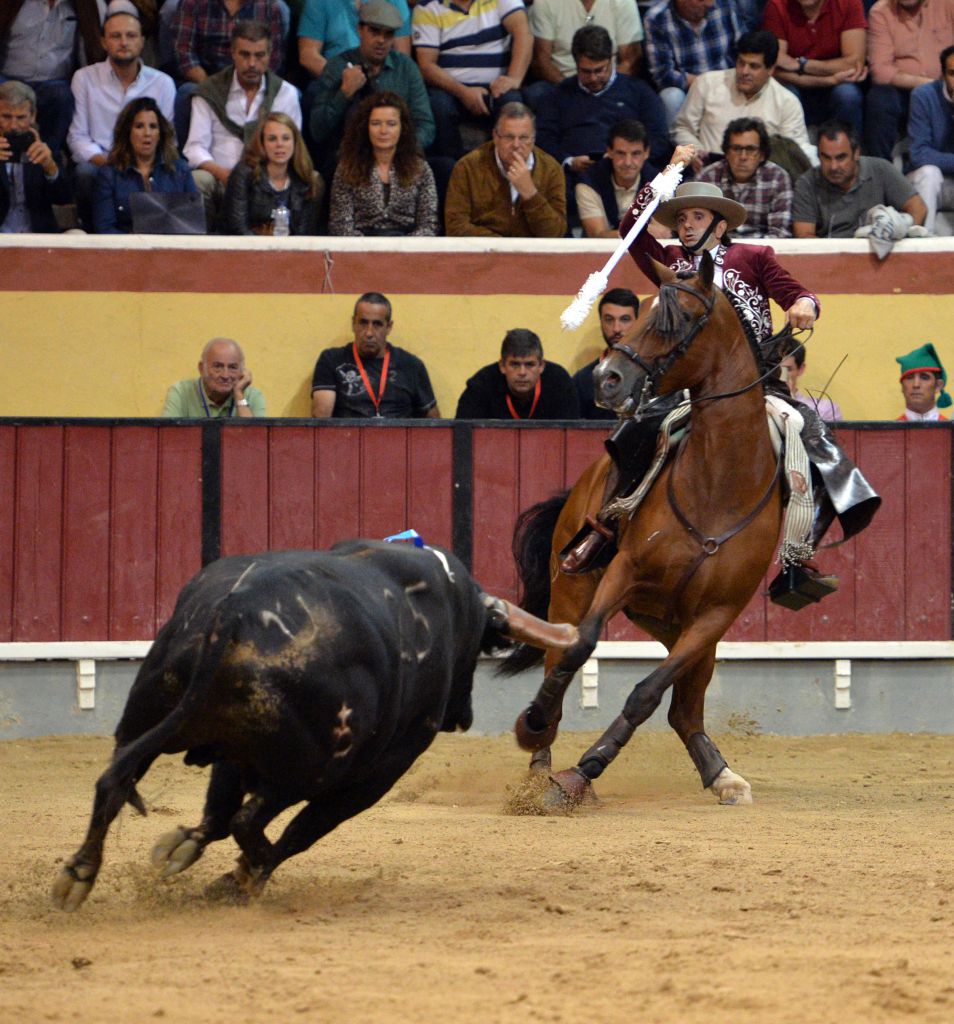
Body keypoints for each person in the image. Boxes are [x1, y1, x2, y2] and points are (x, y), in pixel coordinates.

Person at [566, 142, 881, 600]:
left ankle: (797, 555)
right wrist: (670, 170)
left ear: (719, 223)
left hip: (755, 385)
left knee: (805, 427)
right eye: (682, 219)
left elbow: (798, 293)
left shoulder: (752, 257)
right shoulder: (673, 267)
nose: (687, 225)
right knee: (639, 429)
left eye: (696, 217)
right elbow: (631, 227)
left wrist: (804, 305)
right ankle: (608, 524)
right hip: (687, 388)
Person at [68, 6, 176, 227]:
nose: (124, 42)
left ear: (142, 41)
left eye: (131, 35)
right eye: (115, 36)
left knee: (175, 171)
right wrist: (112, 163)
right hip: (102, 162)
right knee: (85, 173)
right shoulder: (84, 78)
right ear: (103, 42)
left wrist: (139, 166)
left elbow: (168, 138)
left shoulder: (163, 83)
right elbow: (77, 138)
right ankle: (92, 234)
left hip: (147, 164)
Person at [183, 20, 300, 218]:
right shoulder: (210, 91)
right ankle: (202, 244)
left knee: (312, 180)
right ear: (233, 53)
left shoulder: (285, 93)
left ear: (269, 56)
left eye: (259, 55)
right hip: (220, 180)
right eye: (245, 54)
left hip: (267, 183)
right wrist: (223, 175)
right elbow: (195, 148)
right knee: (197, 179)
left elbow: (293, 147)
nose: (252, 63)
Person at [307, 0, 434, 168]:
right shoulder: (338, 66)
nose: (381, 40)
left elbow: (426, 124)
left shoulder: (406, 68)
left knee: (443, 167)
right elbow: (318, 131)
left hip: (399, 157)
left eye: (388, 34)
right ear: (360, 29)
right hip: (351, 161)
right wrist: (344, 93)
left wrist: (400, 150)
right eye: (374, 31)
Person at [672, 29, 816, 171]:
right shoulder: (707, 84)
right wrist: (695, 152)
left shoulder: (787, 103)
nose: (744, 72)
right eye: (741, 63)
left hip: (762, 183)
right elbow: (682, 128)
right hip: (709, 176)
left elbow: (793, 154)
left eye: (753, 66)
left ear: (771, 69)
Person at [535, 25, 669, 173]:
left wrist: (626, 160)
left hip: (630, 174)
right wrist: (568, 161)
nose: (593, 78)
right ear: (576, 64)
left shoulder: (639, 92)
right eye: (586, 71)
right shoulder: (556, 96)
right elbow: (544, 140)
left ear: (611, 60)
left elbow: (659, 138)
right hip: (574, 175)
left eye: (599, 70)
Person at [411, 0, 531, 159]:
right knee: (438, 104)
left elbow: (523, 34)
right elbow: (426, 65)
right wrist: (463, 92)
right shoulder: (427, 8)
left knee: (512, 101)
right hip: (451, 90)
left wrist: (514, 78)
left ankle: (508, 169)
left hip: (496, 88)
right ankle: (454, 172)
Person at [0, 0, 105, 160]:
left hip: (52, 83)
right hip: (8, 78)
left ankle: (48, 160)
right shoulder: (10, 4)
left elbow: (90, 49)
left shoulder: (85, 5)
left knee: (63, 96)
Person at [444, 101, 566, 237]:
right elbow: (455, 226)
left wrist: (530, 194)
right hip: (485, 252)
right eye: (509, 137)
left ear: (533, 139)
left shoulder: (551, 169)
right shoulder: (467, 167)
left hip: (532, 254)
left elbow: (556, 233)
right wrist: (502, 247)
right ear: (495, 137)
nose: (516, 145)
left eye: (524, 138)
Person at [170, 0, 285, 144]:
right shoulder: (193, 3)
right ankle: (185, 159)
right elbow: (184, 53)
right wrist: (213, 87)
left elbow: (273, 57)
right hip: (206, 74)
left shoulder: (269, 6)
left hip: (253, 74)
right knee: (187, 92)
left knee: (291, 94)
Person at [311, 292, 440, 418]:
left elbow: (435, 426)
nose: (369, 333)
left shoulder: (411, 365)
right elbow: (321, 420)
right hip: (347, 438)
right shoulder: (332, 360)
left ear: (389, 327)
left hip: (397, 438)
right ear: (353, 324)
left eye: (377, 324)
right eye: (363, 323)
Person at [792, 119, 926, 237]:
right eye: (826, 158)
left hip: (877, 255)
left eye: (840, 157)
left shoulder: (880, 169)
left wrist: (902, 236)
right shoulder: (806, 183)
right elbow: (804, 235)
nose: (833, 166)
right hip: (831, 260)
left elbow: (918, 207)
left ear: (856, 153)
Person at [329, 92, 437, 236]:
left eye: (391, 124)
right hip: (361, 249)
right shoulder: (347, 167)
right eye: (376, 123)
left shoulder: (420, 168)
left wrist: (402, 250)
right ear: (365, 127)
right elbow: (340, 226)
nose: (383, 131)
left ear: (402, 128)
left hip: (408, 248)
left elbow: (429, 224)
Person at [92, 95, 197, 232]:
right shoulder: (109, 175)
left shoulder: (180, 171)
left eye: (153, 127)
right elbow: (105, 229)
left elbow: (192, 225)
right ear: (127, 132)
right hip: (126, 250)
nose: (147, 133)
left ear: (160, 134)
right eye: (139, 126)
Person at [864, 0, 954, 160]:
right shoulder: (881, 12)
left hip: (949, 87)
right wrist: (931, 86)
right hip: (904, 92)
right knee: (879, 99)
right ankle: (881, 169)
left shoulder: (947, 4)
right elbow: (881, 71)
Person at [762, 0, 868, 133]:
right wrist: (830, 79)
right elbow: (776, 68)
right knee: (783, 93)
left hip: (835, 87)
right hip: (796, 85)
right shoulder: (777, 5)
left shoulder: (848, 3)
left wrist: (801, 65)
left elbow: (854, 62)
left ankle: (847, 150)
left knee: (847, 95)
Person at [643, 0, 742, 128]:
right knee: (671, 97)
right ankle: (679, 144)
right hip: (688, 90)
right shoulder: (656, 18)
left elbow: (743, 50)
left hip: (728, 82)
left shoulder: (726, 5)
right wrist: (706, 84)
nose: (709, 4)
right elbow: (663, 75)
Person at [223, 110, 322, 235]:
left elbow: (305, 234)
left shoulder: (308, 180)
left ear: (295, 143)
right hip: (248, 249)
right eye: (272, 139)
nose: (279, 144)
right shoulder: (244, 174)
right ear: (262, 143)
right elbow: (237, 228)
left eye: (286, 138)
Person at [527, 0, 644, 105]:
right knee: (536, 93)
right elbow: (542, 61)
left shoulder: (623, 2)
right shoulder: (545, 3)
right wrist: (575, 90)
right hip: (561, 83)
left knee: (640, 94)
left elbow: (630, 60)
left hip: (609, 82)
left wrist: (606, 88)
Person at [696, 117, 794, 237]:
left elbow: (780, 233)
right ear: (726, 153)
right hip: (718, 250)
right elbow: (698, 229)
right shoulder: (707, 178)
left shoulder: (778, 178)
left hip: (761, 251)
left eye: (750, 149)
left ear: (762, 155)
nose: (743, 156)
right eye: (736, 149)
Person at [455, 329, 580, 419]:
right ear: (502, 366)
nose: (522, 372)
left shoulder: (560, 384)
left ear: (541, 366)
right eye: (514, 364)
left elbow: (572, 438)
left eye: (529, 364)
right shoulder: (480, 387)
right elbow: (462, 438)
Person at [0, 80, 72, 232]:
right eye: (6, 116)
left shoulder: (44, 147)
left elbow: (64, 198)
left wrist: (50, 167)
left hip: (37, 236)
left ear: (33, 116)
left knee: (78, 235)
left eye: (21, 117)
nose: (13, 125)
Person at [575, 119, 656, 238]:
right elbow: (597, 236)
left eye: (635, 154)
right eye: (621, 153)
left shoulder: (660, 183)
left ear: (646, 153)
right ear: (610, 152)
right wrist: (643, 234)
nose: (628, 162)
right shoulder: (589, 182)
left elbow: (662, 233)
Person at [298, 0, 410, 82]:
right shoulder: (318, 2)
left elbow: (402, 57)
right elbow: (308, 56)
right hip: (333, 83)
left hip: (383, 81)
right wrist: (343, 78)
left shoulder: (396, 2)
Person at [907, 44, 954, 236]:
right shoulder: (924, 96)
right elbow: (919, 154)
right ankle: (924, 242)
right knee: (929, 172)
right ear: (942, 75)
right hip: (929, 183)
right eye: (953, 73)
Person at [572, 287, 640, 420]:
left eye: (625, 319)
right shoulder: (583, 381)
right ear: (601, 322)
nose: (616, 329)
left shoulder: (653, 376)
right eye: (609, 320)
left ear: (638, 322)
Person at [162, 337, 265, 417]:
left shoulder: (253, 396)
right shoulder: (181, 393)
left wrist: (239, 394)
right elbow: (167, 438)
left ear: (242, 371)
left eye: (232, 367)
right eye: (218, 367)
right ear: (202, 368)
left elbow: (255, 440)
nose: (225, 375)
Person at [780, 336, 842, 420]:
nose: (780, 375)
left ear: (801, 369)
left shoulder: (824, 410)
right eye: (773, 369)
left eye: (787, 369)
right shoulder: (759, 408)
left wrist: (790, 400)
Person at [895, 342, 951, 420]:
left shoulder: (949, 430)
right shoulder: (890, 431)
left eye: (924, 378)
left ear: (938, 386)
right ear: (902, 386)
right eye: (909, 378)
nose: (916, 384)